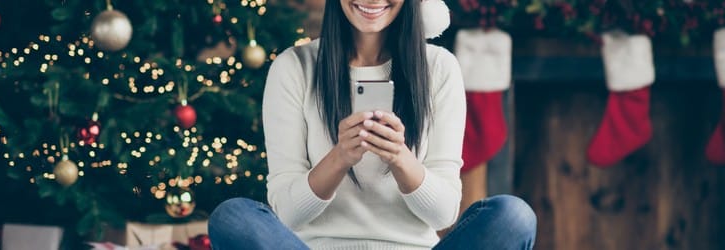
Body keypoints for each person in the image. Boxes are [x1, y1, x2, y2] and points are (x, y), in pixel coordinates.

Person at [208, 0, 537, 249]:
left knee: (514, 216)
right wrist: (340, 158)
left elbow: (444, 215)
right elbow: (287, 213)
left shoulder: (439, 67)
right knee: (233, 216)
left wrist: (399, 157)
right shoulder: (295, 67)